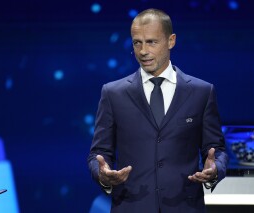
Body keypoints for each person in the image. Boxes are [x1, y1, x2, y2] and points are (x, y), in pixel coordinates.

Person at [88, 8, 228, 213]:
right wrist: (103, 174)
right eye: (137, 42)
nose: (143, 51)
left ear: (171, 41)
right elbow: (98, 153)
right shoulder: (113, 93)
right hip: (131, 206)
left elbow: (217, 149)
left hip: (185, 207)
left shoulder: (201, 92)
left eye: (151, 42)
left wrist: (215, 170)